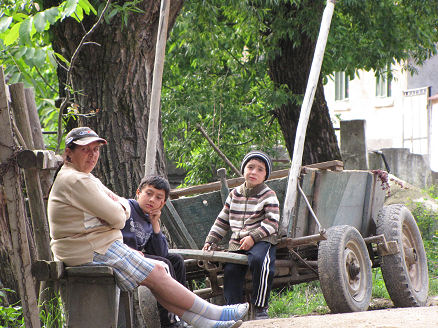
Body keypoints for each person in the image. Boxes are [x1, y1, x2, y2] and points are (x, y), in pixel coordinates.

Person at [47, 127, 248, 328]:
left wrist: (119, 208)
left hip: (96, 246)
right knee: (159, 272)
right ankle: (216, 313)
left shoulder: (85, 177)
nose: (92, 155)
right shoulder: (75, 180)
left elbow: (119, 205)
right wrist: (121, 209)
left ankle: (208, 324)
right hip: (89, 250)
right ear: (68, 153)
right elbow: (118, 219)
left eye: (96, 149)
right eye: (85, 149)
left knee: (161, 268)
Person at [202, 150, 280, 320]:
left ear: (265, 175)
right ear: (243, 170)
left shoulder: (269, 195)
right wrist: (211, 240)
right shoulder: (234, 194)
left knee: (262, 261)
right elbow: (222, 221)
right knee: (230, 270)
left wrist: (254, 237)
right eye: (250, 167)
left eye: (260, 169)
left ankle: (260, 308)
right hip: (237, 243)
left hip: (262, 239)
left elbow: (273, 222)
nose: (254, 172)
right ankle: (233, 311)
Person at [121, 175, 186, 327]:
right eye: (148, 193)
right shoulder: (127, 207)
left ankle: (183, 311)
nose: (152, 200)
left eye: (158, 198)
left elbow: (160, 252)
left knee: (175, 260)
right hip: (123, 257)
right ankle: (169, 322)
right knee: (164, 263)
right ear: (138, 192)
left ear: (162, 203)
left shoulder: (149, 219)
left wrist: (155, 224)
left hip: (138, 259)